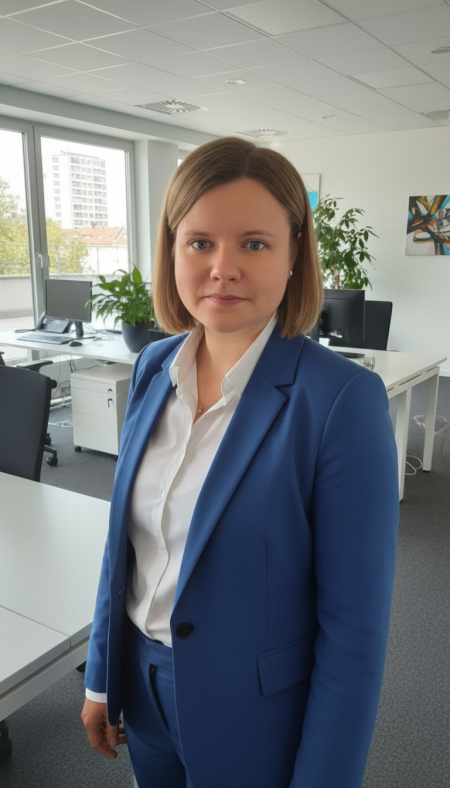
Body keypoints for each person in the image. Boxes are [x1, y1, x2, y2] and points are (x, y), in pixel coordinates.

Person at [81, 137, 399, 788]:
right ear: (172, 249)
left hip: (254, 713)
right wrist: (100, 677)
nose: (222, 268)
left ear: (293, 255)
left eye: (254, 243)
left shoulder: (341, 400)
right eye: (200, 242)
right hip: (142, 690)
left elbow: (354, 633)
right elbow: (125, 549)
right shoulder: (152, 367)